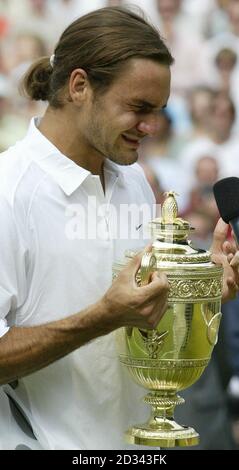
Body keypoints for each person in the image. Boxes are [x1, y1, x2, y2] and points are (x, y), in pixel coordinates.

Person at [0, 6, 238, 450]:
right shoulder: (7, 191)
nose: (152, 127)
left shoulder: (132, 181)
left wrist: (197, 286)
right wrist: (101, 318)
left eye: (160, 111)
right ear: (79, 87)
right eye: (138, 108)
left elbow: (139, 314)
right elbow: (110, 314)